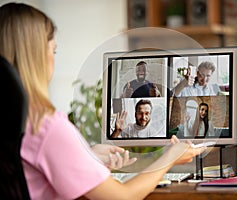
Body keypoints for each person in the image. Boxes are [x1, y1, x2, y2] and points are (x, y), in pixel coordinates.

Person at [0, 3, 206, 200]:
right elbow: (122, 197)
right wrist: (169, 158)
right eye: (53, 51)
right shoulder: (45, 125)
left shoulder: (17, 122)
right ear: (35, 57)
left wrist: (85, 157)